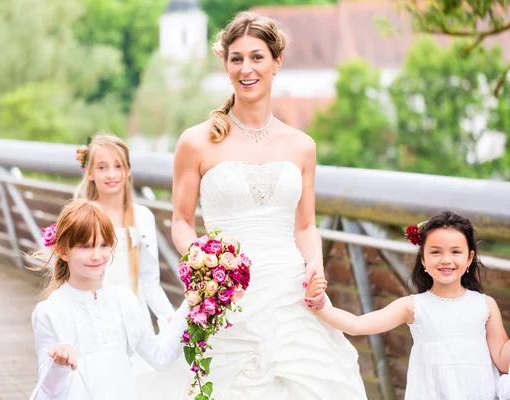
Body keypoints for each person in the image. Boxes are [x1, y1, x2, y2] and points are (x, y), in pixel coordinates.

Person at [171, 11, 367, 399]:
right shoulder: (195, 142)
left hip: (291, 294)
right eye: (237, 58)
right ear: (225, 64)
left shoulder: (302, 145)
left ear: (277, 62)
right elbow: (180, 220)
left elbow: (306, 225)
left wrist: (316, 266)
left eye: (257, 57)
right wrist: (206, 266)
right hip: (229, 298)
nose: (247, 68)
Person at [306, 210, 510, 400]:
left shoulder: (485, 305)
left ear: (469, 259)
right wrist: (321, 306)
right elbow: (357, 325)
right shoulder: (413, 306)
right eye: (436, 252)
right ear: (424, 260)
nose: (446, 259)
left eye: (456, 252)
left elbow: (505, 362)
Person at [30, 199, 187, 400]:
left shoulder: (125, 302)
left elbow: (160, 357)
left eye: (103, 245)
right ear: (63, 250)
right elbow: (48, 390)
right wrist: (59, 365)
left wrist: (192, 305)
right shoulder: (50, 311)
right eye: (85, 247)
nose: (97, 255)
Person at [74, 133, 190, 399]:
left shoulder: (142, 217)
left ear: (128, 171)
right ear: (90, 172)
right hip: (94, 316)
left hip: (133, 317)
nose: (111, 174)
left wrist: (166, 316)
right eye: (102, 167)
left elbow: (149, 280)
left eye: (118, 166)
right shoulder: (82, 214)